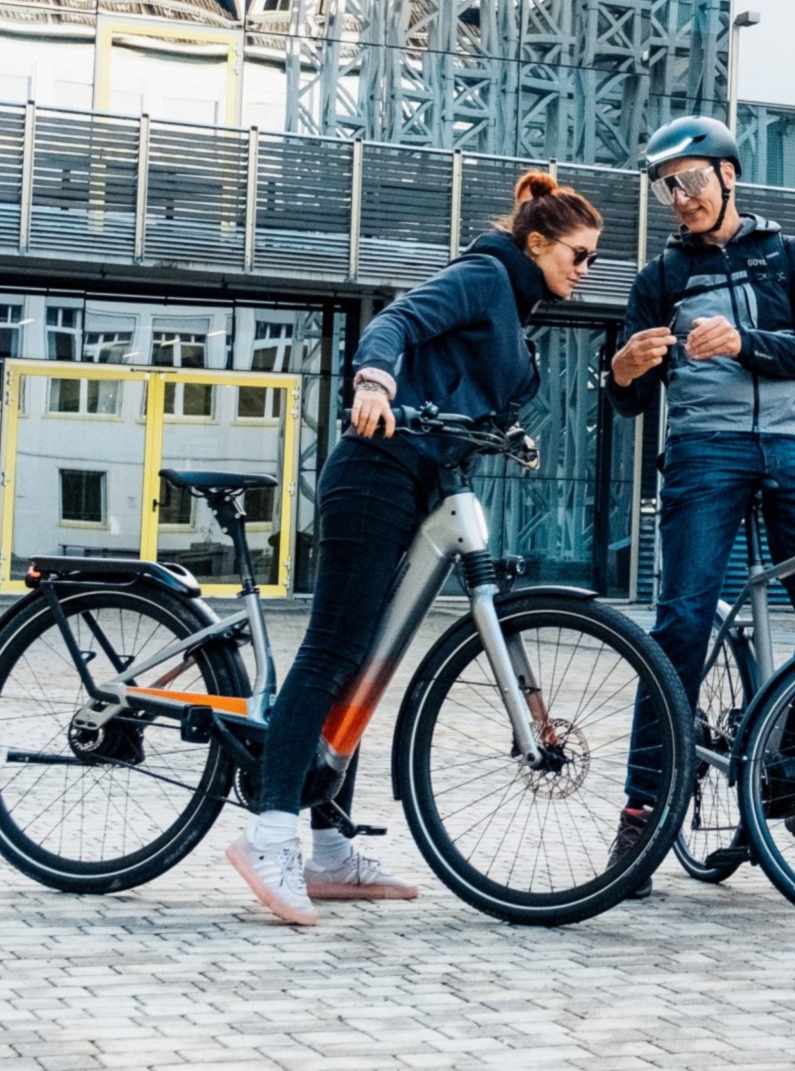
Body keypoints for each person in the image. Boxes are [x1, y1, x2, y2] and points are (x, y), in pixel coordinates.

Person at [226, 170, 603, 927]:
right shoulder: (485, 276)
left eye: (592, 258)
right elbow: (397, 322)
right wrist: (372, 381)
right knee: (334, 650)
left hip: (419, 481)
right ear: (537, 242)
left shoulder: (516, 315)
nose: (586, 269)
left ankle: (330, 852)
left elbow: (464, 394)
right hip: (375, 467)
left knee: (368, 660)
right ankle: (269, 836)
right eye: (580, 253)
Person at [606, 115, 795, 892]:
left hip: (793, 448)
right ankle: (643, 812)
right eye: (667, 188)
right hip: (703, 449)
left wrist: (747, 345)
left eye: (690, 181)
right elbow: (626, 399)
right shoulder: (658, 277)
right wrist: (624, 367)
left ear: (728, 176)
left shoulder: (787, 257)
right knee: (681, 623)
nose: (679, 198)